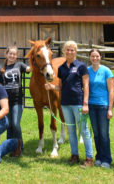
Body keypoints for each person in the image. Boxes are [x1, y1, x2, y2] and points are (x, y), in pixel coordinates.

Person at [45, 40, 93, 168]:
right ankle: (74, 155)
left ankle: (89, 157)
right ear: (64, 51)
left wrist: (85, 103)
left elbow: (86, 85)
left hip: (78, 102)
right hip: (65, 103)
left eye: (72, 50)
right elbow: (61, 86)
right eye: (67, 50)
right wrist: (51, 87)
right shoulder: (61, 69)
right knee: (71, 130)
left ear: (75, 52)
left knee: (83, 130)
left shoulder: (82, 66)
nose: (69, 52)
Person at [0, 46, 31, 150]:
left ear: (16, 56)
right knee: (8, 125)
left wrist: (35, 60)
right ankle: (10, 147)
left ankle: (19, 147)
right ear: (6, 54)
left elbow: (29, 69)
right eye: (10, 53)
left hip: (18, 100)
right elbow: (0, 86)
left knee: (16, 124)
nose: (12, 56)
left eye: (14, 54)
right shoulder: (2, 69)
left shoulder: (19, 65)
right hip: (6, 101)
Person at [87, 49, 114, 169]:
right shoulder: (87, 71)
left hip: (103, 105)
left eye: (97, 56)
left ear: (100, 57)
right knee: (96, 134)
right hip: (91, 105)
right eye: (93, 56)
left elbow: (111, 91)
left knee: (104, 134)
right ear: (89, 58)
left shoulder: (106, 71)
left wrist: (110, 109)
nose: (95, 58)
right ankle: (98, 157)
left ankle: (106, 159)